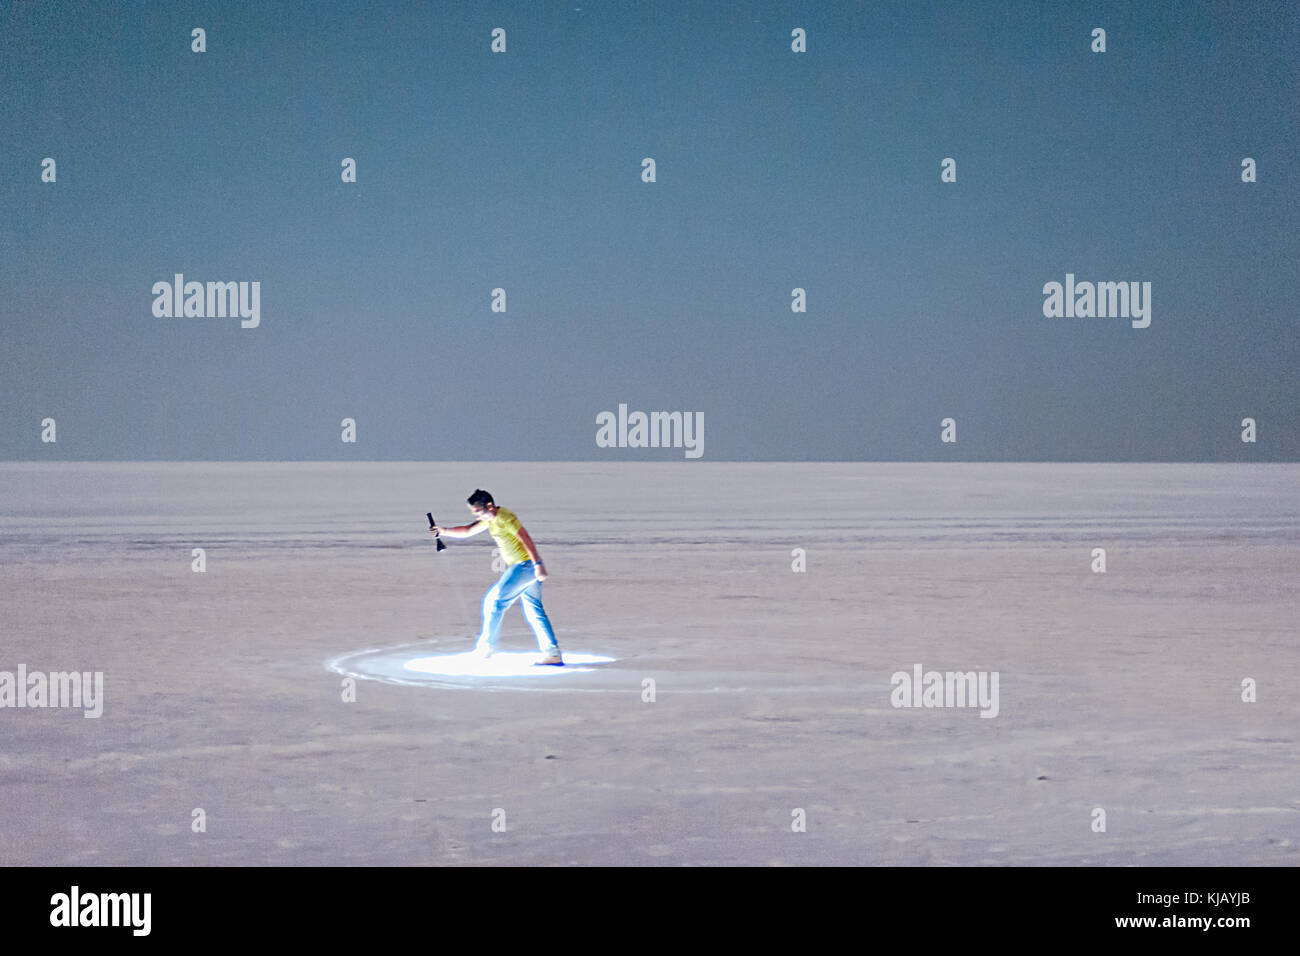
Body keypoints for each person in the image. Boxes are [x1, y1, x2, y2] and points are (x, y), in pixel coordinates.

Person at [430, 489, 563, 665]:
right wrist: (443, 531)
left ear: (489, 506)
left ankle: (486, 648)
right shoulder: (490, 520)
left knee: (496, 602)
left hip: (524, 566)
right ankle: (552, 653)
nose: (476, 515)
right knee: (533, 610)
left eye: (478, 511)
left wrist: (538, 565)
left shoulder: (504, 518)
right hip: (525, 568)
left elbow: (525, 539)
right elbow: (468, 531)